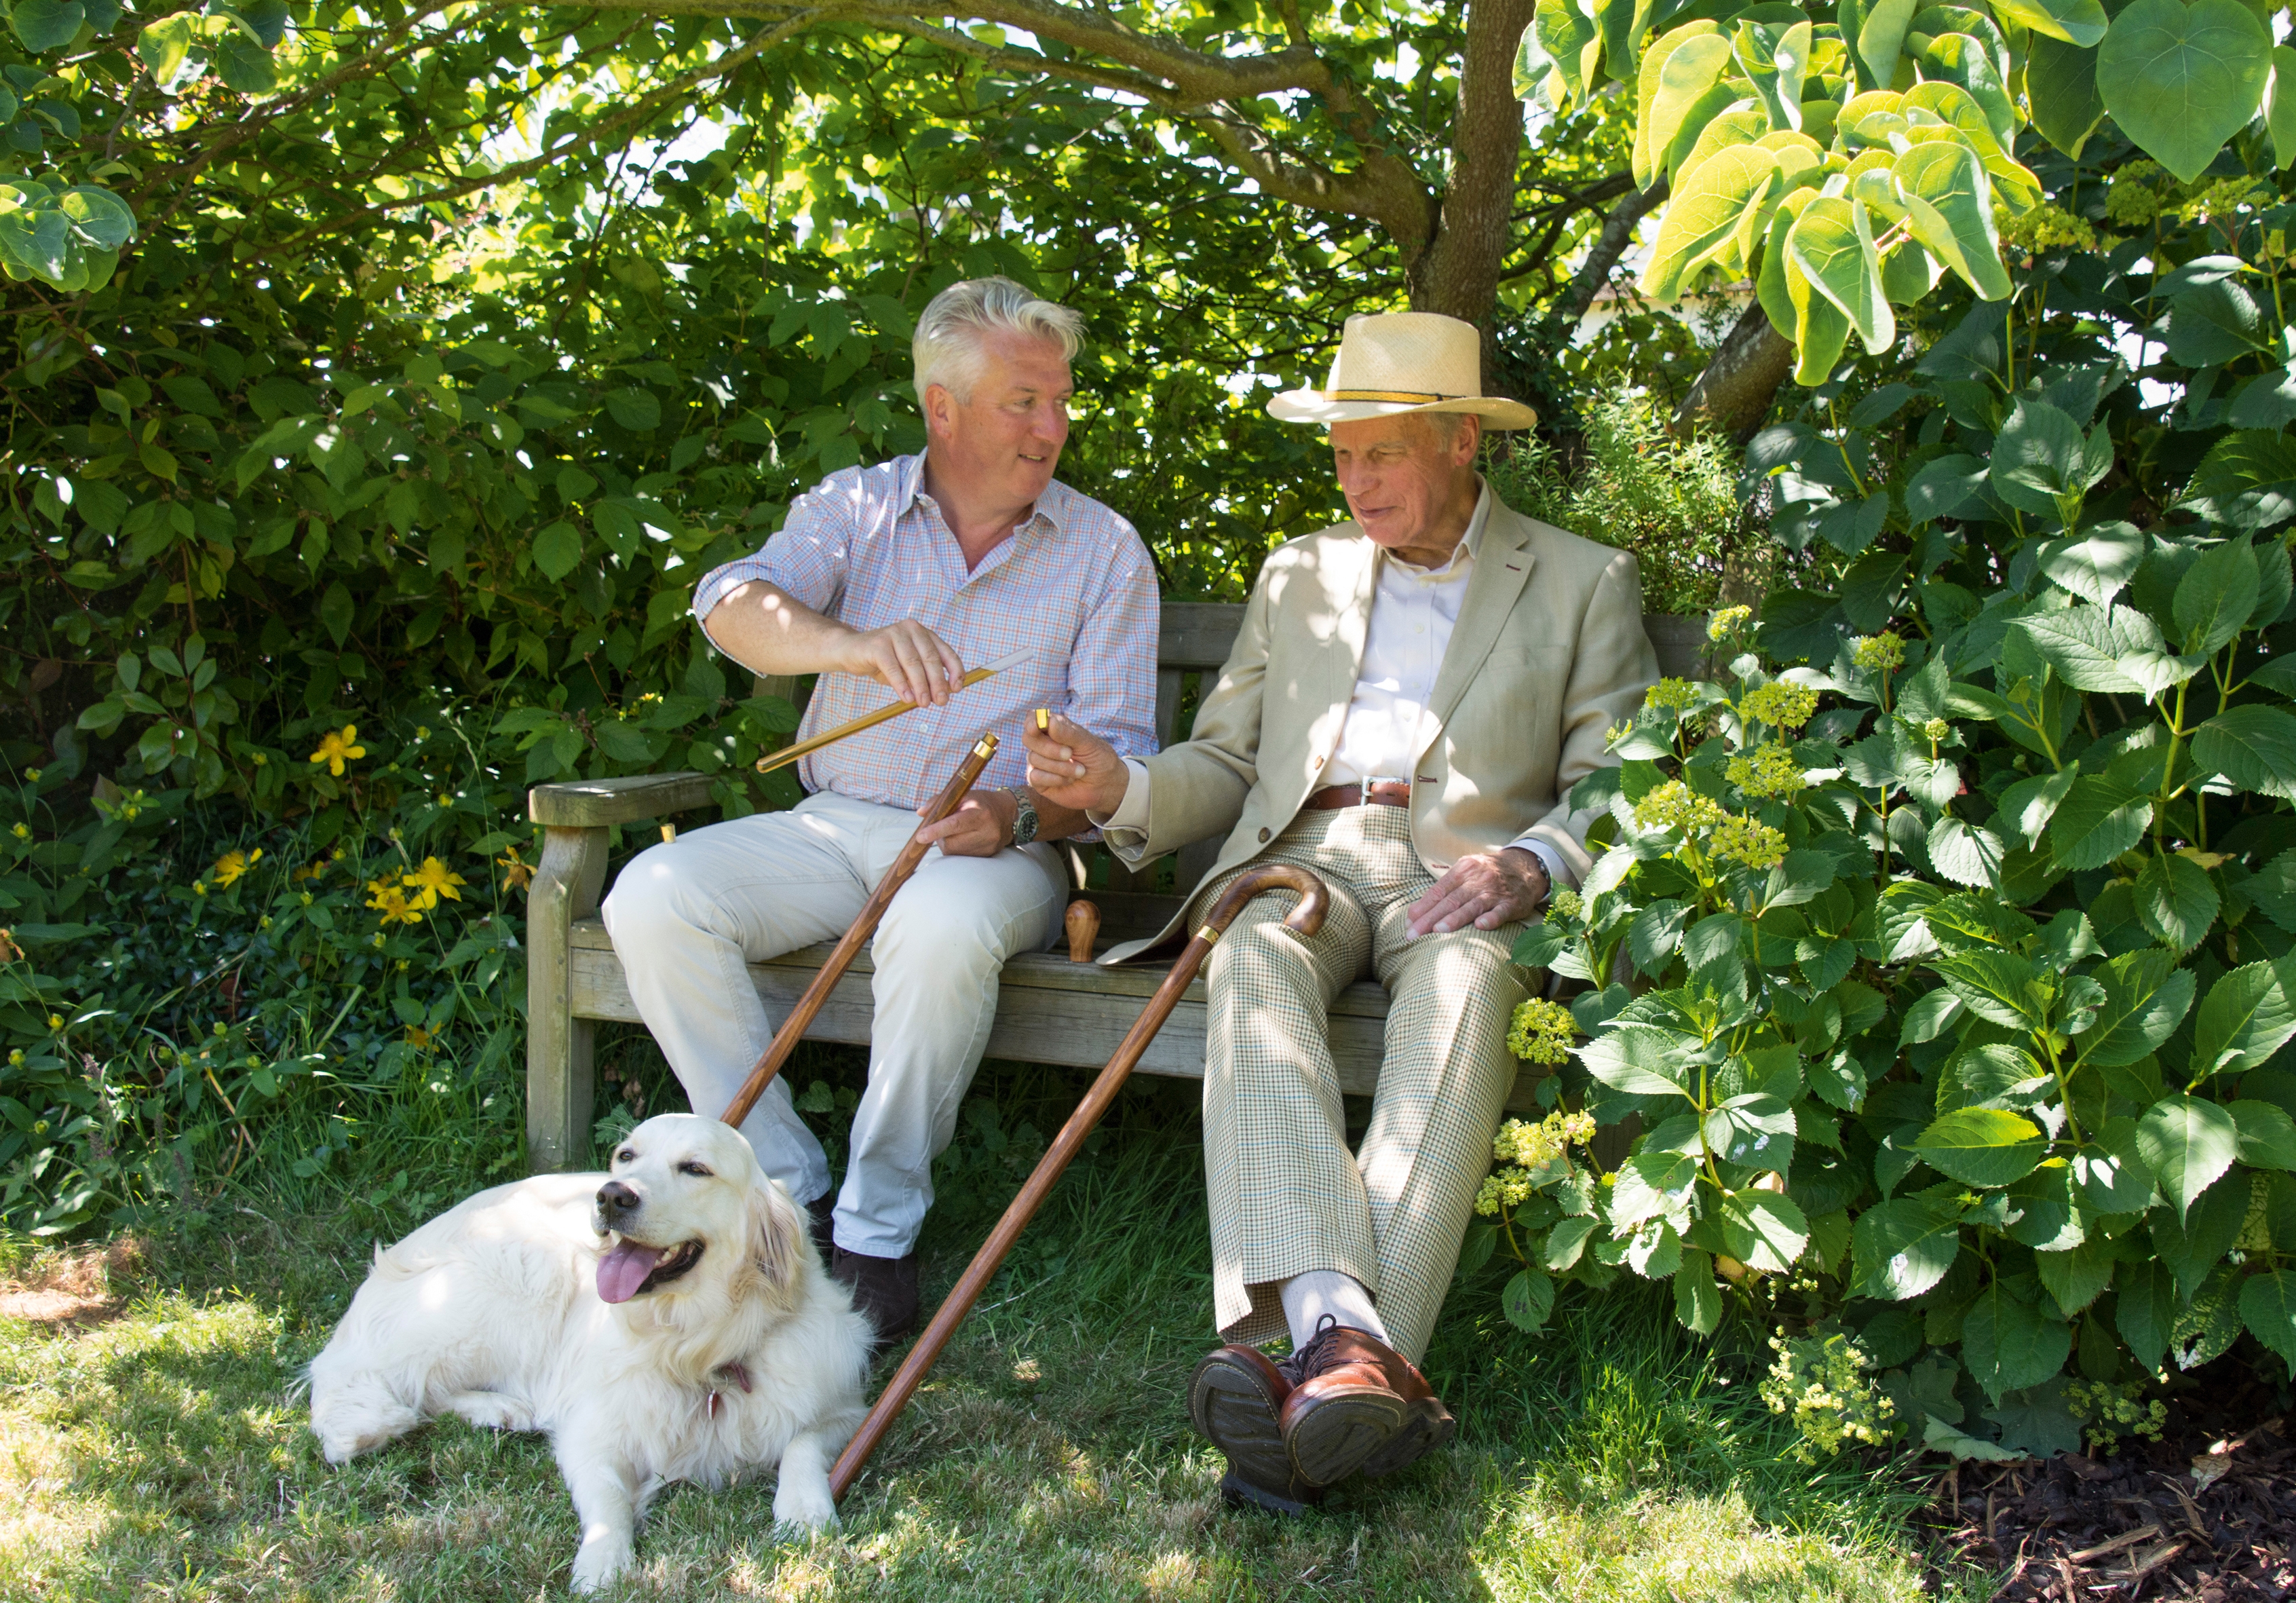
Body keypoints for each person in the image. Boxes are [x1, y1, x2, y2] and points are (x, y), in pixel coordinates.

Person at [1021, 311, 1656, 1509]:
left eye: (1384, 453)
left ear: (1465, 443)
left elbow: (1619, 776)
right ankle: (1355, 1358)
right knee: (1249, 960)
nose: (1356, 480)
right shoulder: (1297, 572)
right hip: (1304, 852)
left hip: (1467, 872)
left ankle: (1309, 1372)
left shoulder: (1581, 579)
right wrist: (1125, 789)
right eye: (1342, 454)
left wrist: (1534, 862)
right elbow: (1224, 758)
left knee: (1468, 989)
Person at [603, 278, 1159, 1345]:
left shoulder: (1102, 550)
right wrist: (850, 645)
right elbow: (730, 601)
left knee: (938, 921)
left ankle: (875, 1230)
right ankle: (788, 1188)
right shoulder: (857, 508)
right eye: (1022, 401)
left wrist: (1021, 809)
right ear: (942, 409)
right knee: (654, 894)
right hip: (835, 825)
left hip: (992, 853)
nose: (1053, 426)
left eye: (1059, 400)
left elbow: (1123, 763)